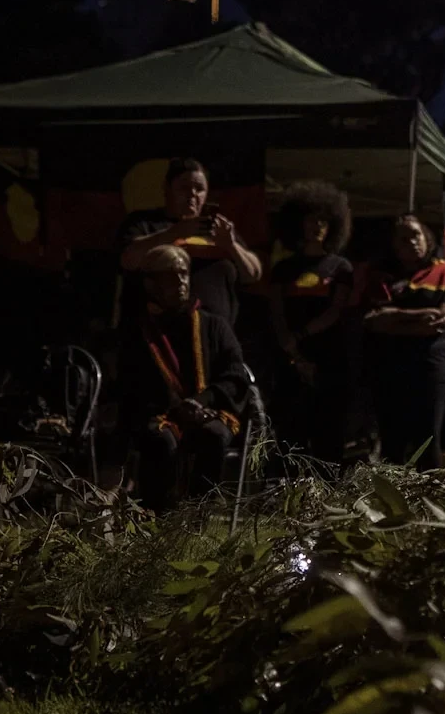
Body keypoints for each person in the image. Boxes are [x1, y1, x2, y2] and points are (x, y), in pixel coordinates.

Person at [121, 246, 251, 511]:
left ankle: (196, 519)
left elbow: (236, 374)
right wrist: (175, 408)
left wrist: (201, 401)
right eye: (170, 275)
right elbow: (131, 382)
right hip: (159, 412)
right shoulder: (139, 331)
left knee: (212, 436)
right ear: (150, 283)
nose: (181, 281)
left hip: (209, 411)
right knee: (159, 440)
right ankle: (156, 518)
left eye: (184, 273)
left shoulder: (214, 325)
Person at [357, 216, 445, 467]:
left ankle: (429, 503)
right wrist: (417, 319)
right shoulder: (381, 276)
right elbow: (373, 320)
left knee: (428, 441)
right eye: (404, 238)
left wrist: (394, 316)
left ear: (427, 237)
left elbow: (441, 319)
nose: (412, 242)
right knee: (392, 442)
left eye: (416, 235)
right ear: (393, 245)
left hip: (431, 369)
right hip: (390, 369)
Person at [266, 182, 354, 459]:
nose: (317, 226)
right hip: (289, 358)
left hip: (329, 359)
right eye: (310, 220)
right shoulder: (283, 268)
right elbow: (277, 311)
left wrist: (301, 336)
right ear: (297, 224)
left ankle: (329, 496)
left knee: (328, 433)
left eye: (323, 221)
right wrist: (292, 350)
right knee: (291, 434)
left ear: (332, 227)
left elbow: (335, 310)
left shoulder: (340, 267)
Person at [118, 159, 261, 327]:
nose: (193, 194)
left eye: (199, 189)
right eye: (184, 187)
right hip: (159, 331)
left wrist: (231, 245)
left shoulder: (217, 230)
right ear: (166, 188)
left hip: (215, 334)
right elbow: (128, 259)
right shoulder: (144, 223)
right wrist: (175, 232)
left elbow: (253, 274)